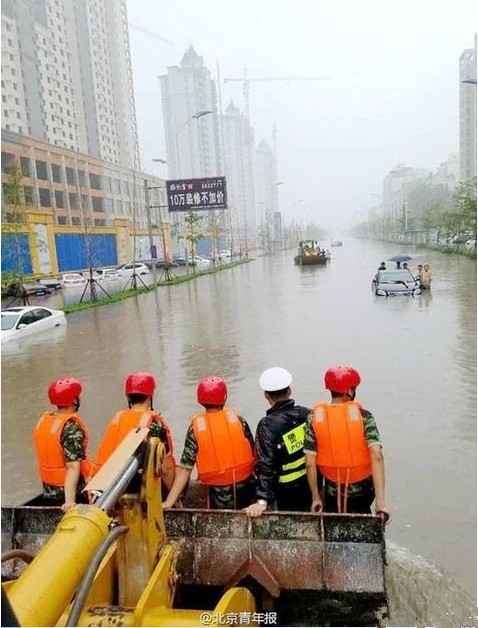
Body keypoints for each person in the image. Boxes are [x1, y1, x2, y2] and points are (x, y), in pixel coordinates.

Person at [304, 366, 389, 522]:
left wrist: (316, 497)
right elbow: (377, 456)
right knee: (362, 524)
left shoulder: (313, 418)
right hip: (363, 492)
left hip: (332, 490)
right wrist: (380, 503)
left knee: (334, 525)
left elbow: (310, 463)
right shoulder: (365, 417)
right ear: (349, 390)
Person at [162, 376, 255, 510]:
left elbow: (185, 468)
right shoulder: (239, 421)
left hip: (217, 496)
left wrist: (169, 502)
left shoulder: (196, 428)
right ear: (224, 397)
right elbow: (253, 452)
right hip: (247, 491)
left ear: (200, 399)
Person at [244, 367, 312, 518]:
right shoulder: (306, 414)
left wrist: (262, 500)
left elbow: (264, 463)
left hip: (284, 492)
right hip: (310, 485)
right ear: (290, 391)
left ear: (266, 395)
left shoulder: (267, 425)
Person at [95, 371, 176, 492]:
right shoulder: (155, 424)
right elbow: (166, 468)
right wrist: (173, 496)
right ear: (150, 396)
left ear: (128, 397)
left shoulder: (117, 419)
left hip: (107, 483)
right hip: (139, 486)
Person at [33, 377, 92, 511]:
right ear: (74, 400)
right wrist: (70, 502)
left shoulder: (45, 421)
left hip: (48, 491)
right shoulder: (71, 427)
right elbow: (72, 466)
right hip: (67, 493)